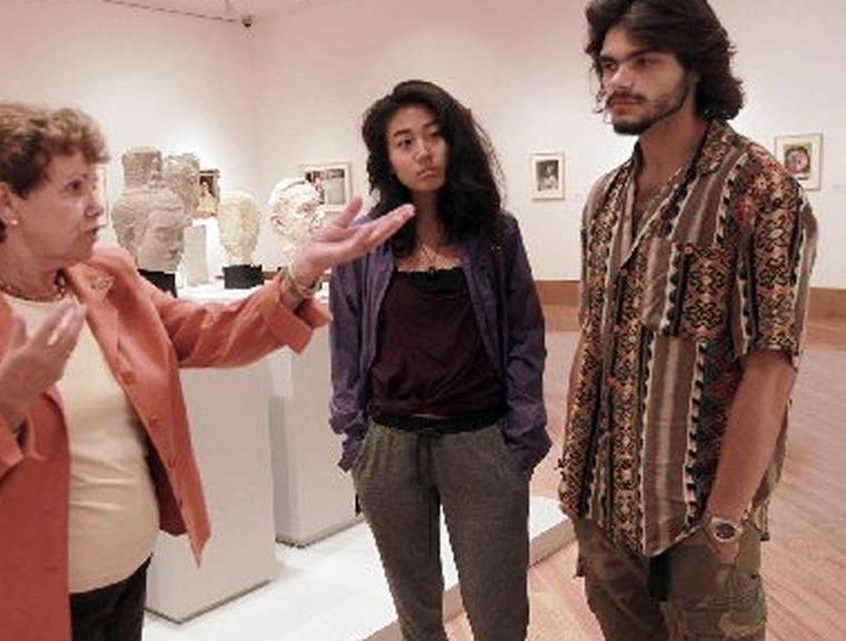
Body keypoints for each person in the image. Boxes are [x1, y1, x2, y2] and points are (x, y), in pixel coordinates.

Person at [0, 101, 413, 641]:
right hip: (9, 614)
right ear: (5, 201)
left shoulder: (105, 275)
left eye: (94, 186)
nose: (97, 209)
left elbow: (208, 331)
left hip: (124, 584)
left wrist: (299, 275)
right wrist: (4, 403)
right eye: (73, 190)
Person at [560, 2, 819, 640]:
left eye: (644, 61)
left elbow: (771, 369)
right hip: (604, 510)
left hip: (699, 522)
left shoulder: (757, 189)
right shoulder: (606, 199)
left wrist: (727, 520)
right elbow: (592, 340)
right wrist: (574, 484)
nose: (617, 80)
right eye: (609, 63)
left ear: (695, 68)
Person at [329, 79, 549, 641]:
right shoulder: (366, 241)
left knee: (498, 610)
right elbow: (347, 346)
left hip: (480, 442)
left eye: (433, 135)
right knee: (417, 612)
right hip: (390, 446)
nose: (422, 152)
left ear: (455, 142)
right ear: (387, 157)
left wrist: (522, 431)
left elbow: (525, 333)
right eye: (404, 141)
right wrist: (356, 438)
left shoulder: (495, 234)